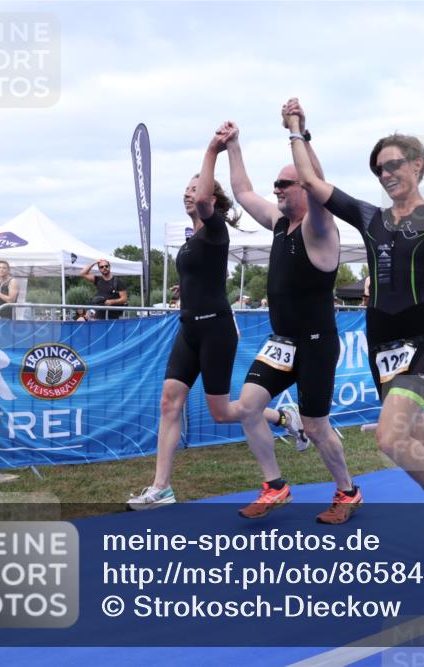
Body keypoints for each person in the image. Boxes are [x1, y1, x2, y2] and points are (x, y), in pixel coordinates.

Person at [286, 87, 424, 566]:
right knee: (418, 441)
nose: (387, 174)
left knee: (390, 438)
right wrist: (296, 130)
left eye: (394, 165)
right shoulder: (370, 219)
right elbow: (310, 180)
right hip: (382, 342)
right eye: (379, 169)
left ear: (416, 166)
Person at [128, 127, 306, 510]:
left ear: (209, 196)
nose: (189, 192)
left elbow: (208, 198)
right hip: (189, 328)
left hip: (215, 329)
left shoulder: (214, 229)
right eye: (187, 187)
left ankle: (280, 416)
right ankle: (162, 488)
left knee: (223, 411)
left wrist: (213, 150)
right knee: (169, 402)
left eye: (196, 187)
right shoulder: (192, 239)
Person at [219, 105, 360, 525]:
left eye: (284, 183)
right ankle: (275, 485)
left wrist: (298, 132)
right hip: (283, 342)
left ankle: (348, 491)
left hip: (316, 344)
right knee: (248, 407)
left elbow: (320, 186)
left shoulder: (320, 229)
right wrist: (233, 146)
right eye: (276, 184)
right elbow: (243, 193)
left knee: (317, 427)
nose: (276, 189)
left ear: (303, 186)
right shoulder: (280, 224)